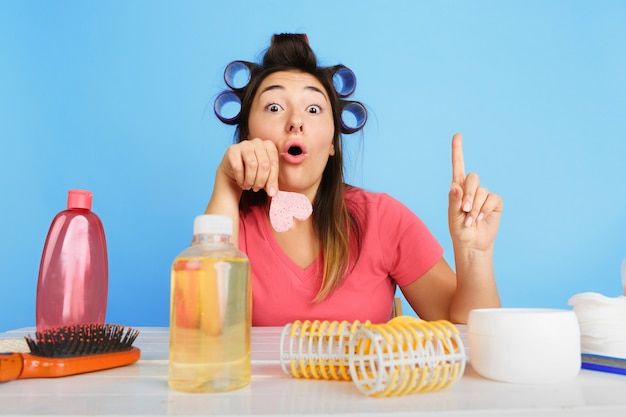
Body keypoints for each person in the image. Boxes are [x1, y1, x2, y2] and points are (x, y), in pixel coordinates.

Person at [205, 33, 502, 326]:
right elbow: (203, 328)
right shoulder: (234, 225)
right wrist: (226, 183)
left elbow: (473, 334)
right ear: (247, 136)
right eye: (274, 107)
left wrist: (475, 254)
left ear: (333, 142)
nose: (295, 121)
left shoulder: (382, 219)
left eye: (313, 109)